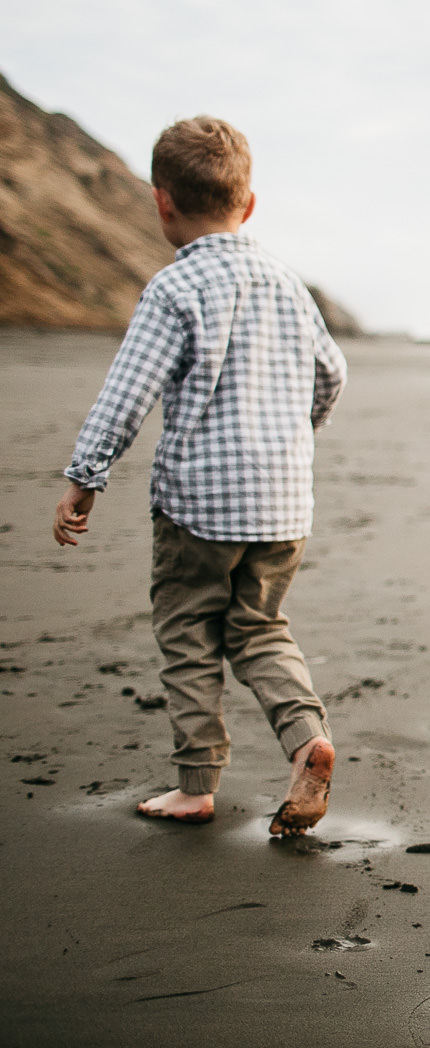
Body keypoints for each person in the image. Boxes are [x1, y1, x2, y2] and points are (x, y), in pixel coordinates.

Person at [52, 116, 344, 840]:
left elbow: (129, 391)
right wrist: (292, 436)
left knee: (189, 634)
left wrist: (85, 477)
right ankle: (307, 740)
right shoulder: (285, 281)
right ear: (248, 205)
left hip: (197, 510)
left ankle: (195, 785)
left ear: (162, 203)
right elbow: (331, 373)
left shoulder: (174, 288)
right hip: (282, 508)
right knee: (260, 629)